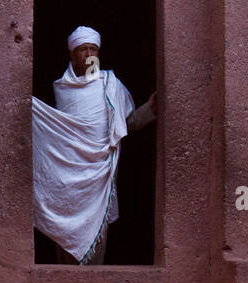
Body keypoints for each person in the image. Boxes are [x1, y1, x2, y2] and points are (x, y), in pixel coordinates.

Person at [32, 26, 157, 264]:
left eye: (93, 49)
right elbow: (59, 132)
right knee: (64, 231)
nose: (89, 54)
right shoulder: (62, 88)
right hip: (66, 175)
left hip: (99, 175)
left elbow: (125, 124)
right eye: (83, 49)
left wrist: (148, 111)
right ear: (72, 55)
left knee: (97, 235)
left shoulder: (111, 84)